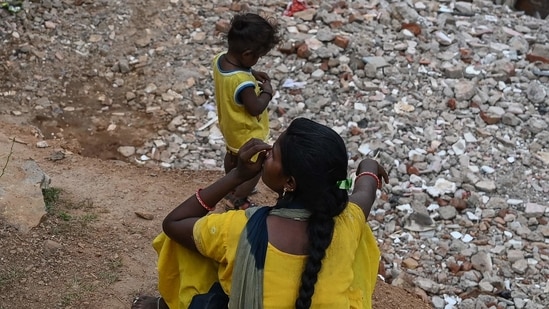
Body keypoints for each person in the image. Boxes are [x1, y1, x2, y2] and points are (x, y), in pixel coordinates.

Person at [132, 118, 388, 309]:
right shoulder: (350, 220)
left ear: (289, 182)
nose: (265, 155)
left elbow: (174, 223)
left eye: (273, 154)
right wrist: (369, 165)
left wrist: (237, 176)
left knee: (199, 244)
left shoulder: (241, 228)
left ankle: (168, 304)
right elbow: (365, 191)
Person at [213, 13, 280, 210]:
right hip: (247, 133)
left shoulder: (219, 61)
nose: (257, 60)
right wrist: (267, 92)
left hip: (231, 128)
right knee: (255, 166)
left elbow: (236, 71)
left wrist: (251, 72)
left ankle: (231, 183)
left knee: (233, 156)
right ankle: (237, 198)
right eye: (257, 57)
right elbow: (255, 108)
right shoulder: (243, 83)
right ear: (247, 54)